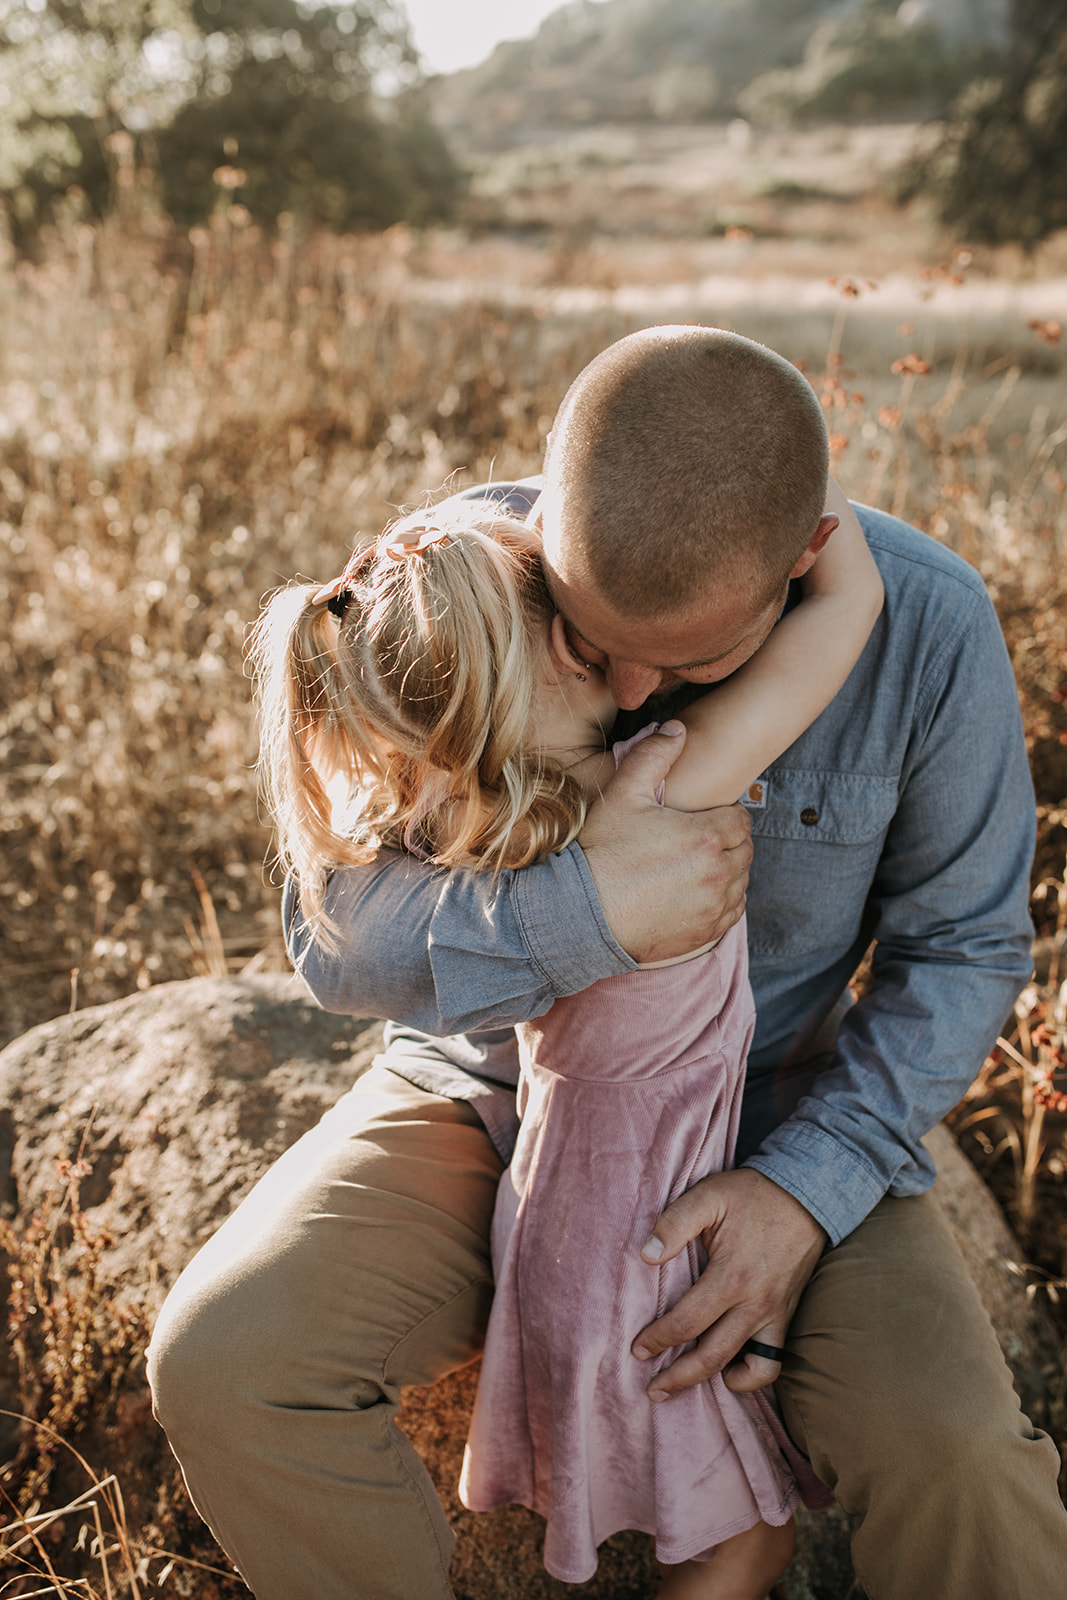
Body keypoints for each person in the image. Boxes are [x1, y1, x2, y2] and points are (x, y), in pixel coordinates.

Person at [148, 327, 1066, 1600]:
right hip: (477, 1094)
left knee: (961, 1462)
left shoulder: (925, 624)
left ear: (803, 562)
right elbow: (331, 931)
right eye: (582, 637)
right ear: (546, 508)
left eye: (690, 664)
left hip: (772, 1112)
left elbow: (961, 943)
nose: (632, 688)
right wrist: (584, 910)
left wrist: (804, 1192)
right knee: (226, 1362)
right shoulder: (460, 572)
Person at [242, 486, 877, 1598]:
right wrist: (818, 525)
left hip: (550, 1216)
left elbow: (344, 909)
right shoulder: (664, 785)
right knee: (746, 1538)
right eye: (555, 606)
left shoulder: (471, 820)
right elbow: (845, 607)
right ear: (553, 654)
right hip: (649, 1224)